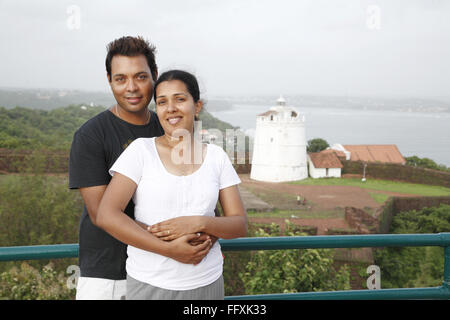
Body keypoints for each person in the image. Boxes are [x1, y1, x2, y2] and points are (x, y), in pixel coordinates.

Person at [69, 37, 214, 300]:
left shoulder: (171, 129)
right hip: (108, 276)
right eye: (121, 78)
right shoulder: (91, 135)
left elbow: (205, 200)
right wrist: (171, 246)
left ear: (155, 76)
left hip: (172, 274)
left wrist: (203, 239)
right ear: (109, 80)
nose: (132, 88)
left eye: (141, 77)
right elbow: (102, 215)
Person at [96, 70, 248, 300]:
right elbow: (107, 215)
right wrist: (169, 250)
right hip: (149, 283)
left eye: (180, 99)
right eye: (162, 102)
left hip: (207, 282)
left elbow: (239, 224)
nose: (171, 108)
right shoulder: (141, 151)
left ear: (197, 106)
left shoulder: (217, 157)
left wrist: (198, 222)